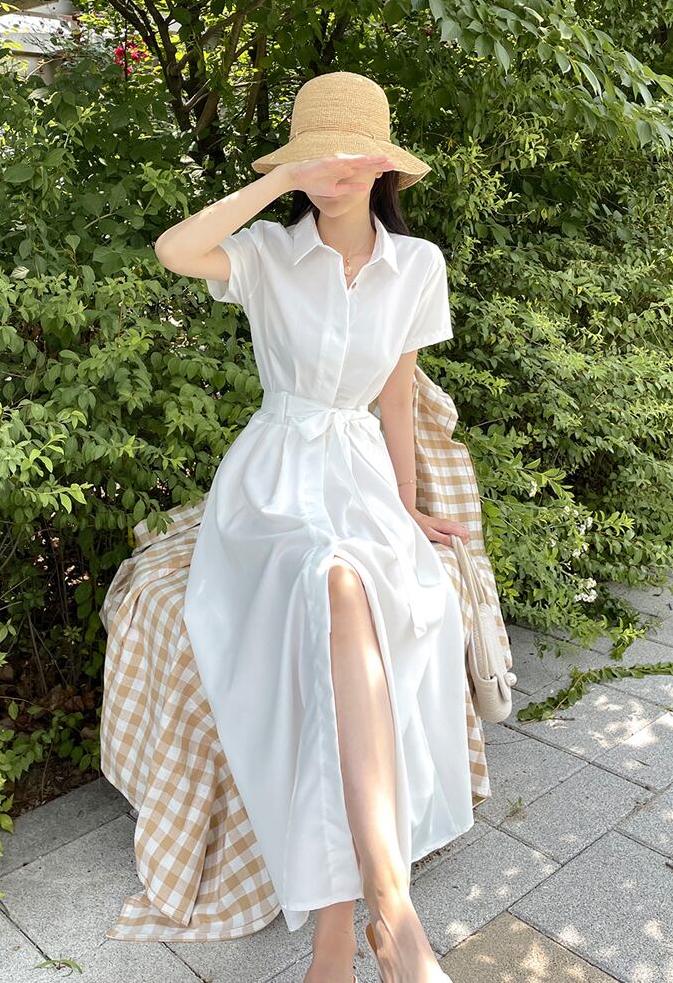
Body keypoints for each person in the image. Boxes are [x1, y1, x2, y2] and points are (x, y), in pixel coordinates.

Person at [154, 71, 473, 983]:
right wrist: (282, 181)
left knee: (364, 592)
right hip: (272, 481)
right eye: (313, 156)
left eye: (348, 157)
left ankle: (345, 938)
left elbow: (396, 399)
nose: (332, 172)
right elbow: (176, 249)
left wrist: (406, 507)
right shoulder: (265, 251)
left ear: (382, 167)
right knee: (336, 577)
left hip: (361, 475)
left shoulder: (417, 266)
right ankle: (392, 916)